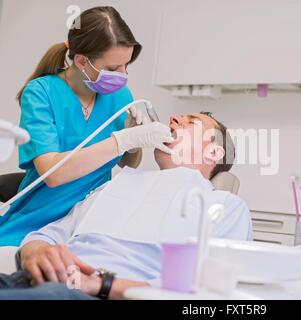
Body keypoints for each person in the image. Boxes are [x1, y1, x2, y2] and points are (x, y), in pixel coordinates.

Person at [0, 113, 252, 300]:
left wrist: (102, 284)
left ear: (215, 153)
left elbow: (211, 290)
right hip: (33, 280)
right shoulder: (114, 185)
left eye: (192, 122)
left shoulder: (223, 206)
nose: (173, 118)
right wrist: (36, 254)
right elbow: (49, 234)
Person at [0, 6, 174, 246]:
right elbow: (54, 173)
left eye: (127, 66)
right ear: (82, 61)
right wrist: (124, 139)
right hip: (36, 223)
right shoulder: (41, 94)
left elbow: (126, 163)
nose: (123, 75)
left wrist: (132, 141)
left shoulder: (121, 96)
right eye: (113, 69)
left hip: (88, 223)